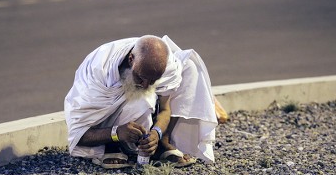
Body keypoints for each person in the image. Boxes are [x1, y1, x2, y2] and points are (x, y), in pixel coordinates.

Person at [64, 35, 227, 168]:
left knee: (189, 66)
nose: (146, 85)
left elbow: (164, 109)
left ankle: (162, 143)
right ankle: (111, 146)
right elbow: (78, 134)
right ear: (130, 59)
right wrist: (116, 133)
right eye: (141, 77)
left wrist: (157, 132)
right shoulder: (98, 72)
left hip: (146, 121)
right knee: (141, 101)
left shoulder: (169, 67)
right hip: (108, 124)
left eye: (153, 80)